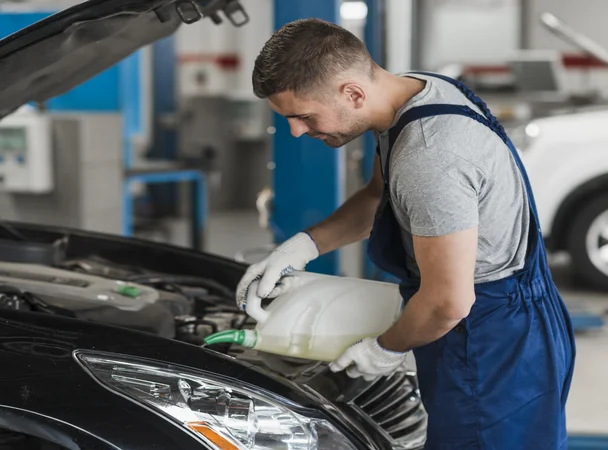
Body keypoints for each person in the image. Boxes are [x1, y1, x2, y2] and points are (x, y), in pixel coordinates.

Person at [236, 18, 576, 449]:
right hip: (503, 320)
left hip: (491, 341)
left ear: (353, 93)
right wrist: (302, 246)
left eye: (303, 116)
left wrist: (384, 348)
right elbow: (379, 196)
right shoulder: (413, 92)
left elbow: (447, 302)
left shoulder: (430, 157)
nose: (296, 131)